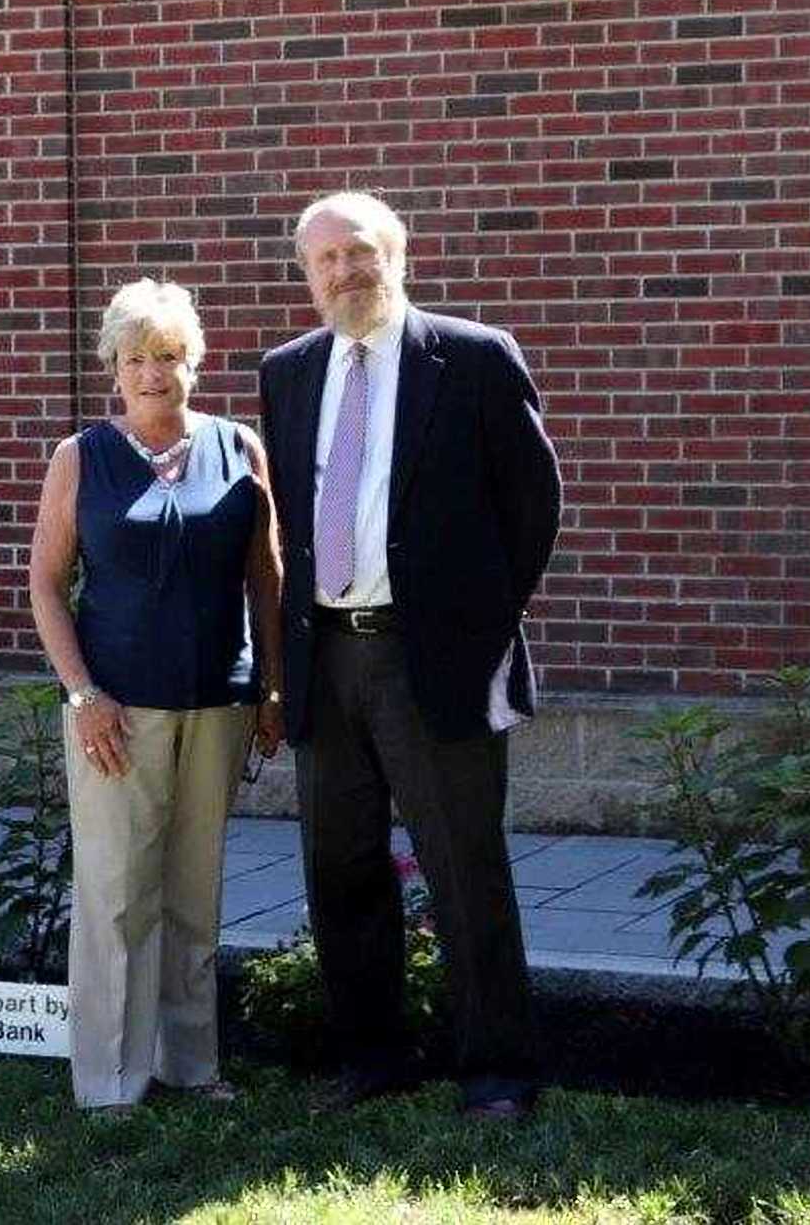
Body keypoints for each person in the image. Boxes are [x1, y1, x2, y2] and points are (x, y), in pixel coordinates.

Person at [258, 192, 561, 1119]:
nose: (345, 273)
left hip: (433, 659)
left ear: (399, 254)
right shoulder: (288, 372)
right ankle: (372, 1060)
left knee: (463, 868)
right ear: (306, 276)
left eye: (360, 252)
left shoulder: (471, 357)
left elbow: (533, 504)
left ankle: (496, 1072)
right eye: (325, 261)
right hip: (328, 657)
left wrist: (476, 624)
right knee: (340, 869)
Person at [29, 278, 284, 1111]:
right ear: (113, 365)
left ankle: (190, 1062)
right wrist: (81, 694)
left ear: (193, 363)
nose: (152, 372)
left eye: (168, 355)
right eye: (135, 357)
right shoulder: (81, 456)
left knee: (192, 886)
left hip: (218, 699)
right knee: (115, 891)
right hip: (114, 710)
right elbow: (44, 584)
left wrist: (273, 687)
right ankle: (109, 1078)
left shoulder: (239, 448)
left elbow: (266, 577)